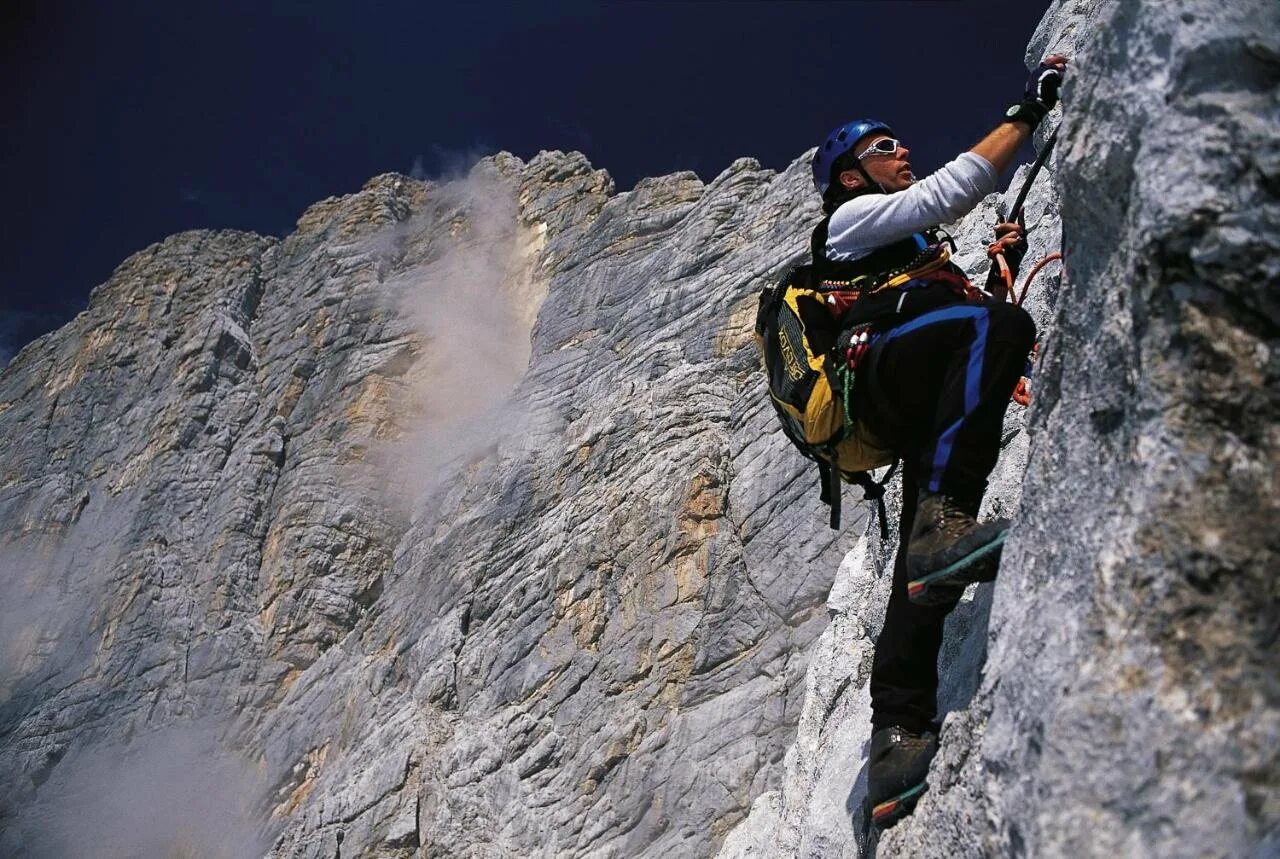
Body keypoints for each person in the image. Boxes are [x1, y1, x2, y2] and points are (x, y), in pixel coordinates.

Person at [806, 55, 1069, 828]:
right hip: (880, 368)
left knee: (922, 576)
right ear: (850, 177)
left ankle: (896, 740)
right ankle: (942, 525)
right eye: (884, 149)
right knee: (1002, 327)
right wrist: (1028, 113)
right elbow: (957, 187)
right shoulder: (849, 222)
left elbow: (958, 336)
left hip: (906, 389)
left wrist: (1003, 265)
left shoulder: (909, 250)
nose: (902, 153)